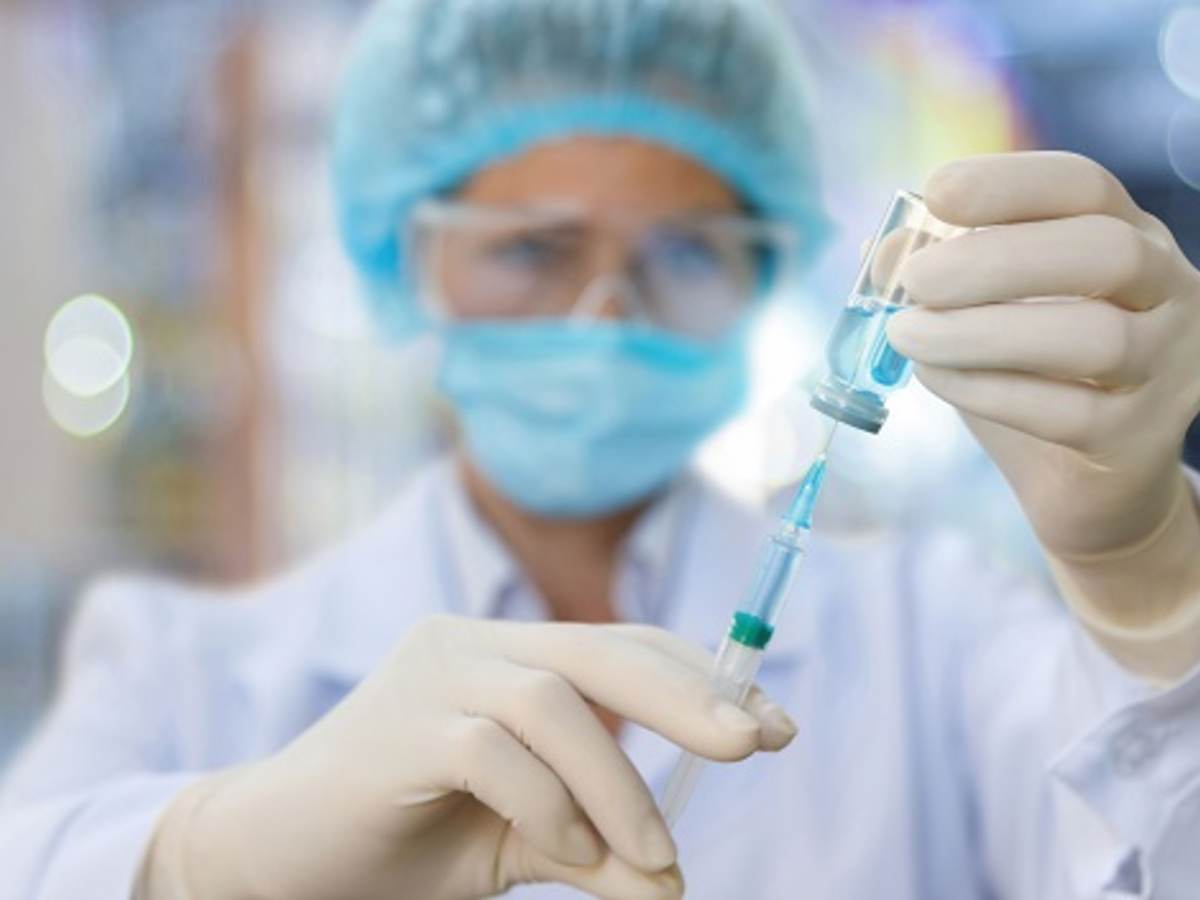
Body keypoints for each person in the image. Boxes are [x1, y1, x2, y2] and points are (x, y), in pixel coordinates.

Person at [4, 0, 1200, 897]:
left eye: (683, 253)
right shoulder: (186, 665)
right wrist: (214, 857)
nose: (605, 313)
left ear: (764, 270)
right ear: (404, 258)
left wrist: (1152, 584)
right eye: (532, 250)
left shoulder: (932, 626)